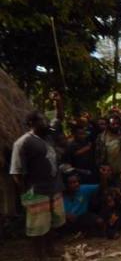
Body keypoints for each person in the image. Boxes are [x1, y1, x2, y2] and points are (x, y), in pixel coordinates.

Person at [10, 110, 66, 260]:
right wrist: (26, 195)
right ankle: (38, 256)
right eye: (42, 120)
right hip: (36, 191)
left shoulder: (48, 138)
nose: (46, 123)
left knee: (50, 224)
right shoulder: (23, 143)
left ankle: (50, 250)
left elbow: (59, 118)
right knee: (37, 228)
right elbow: (16, 173)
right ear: (31, 124)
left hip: (53, 188)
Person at [96, 115, 121, 182]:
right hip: (110, 172)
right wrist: (102, 168)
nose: (116, 126)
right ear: (108, 124)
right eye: (113, 124)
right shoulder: (101, 137)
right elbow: (98, 155)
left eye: (117, 123)